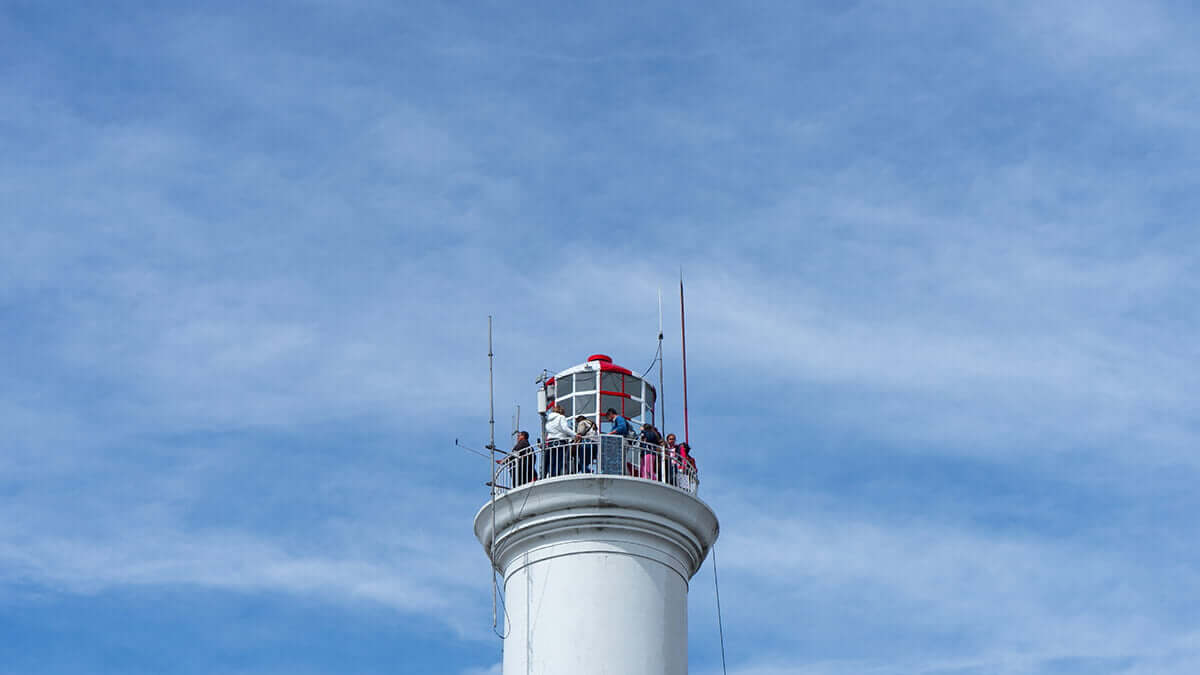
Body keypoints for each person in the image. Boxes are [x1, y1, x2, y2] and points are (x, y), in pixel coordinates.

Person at [544, 404, 574, 477]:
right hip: (560, 441)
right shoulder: (561, 417)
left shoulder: (549, 420)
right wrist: (575, 435)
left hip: (550, 442)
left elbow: (548, 431)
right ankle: (555, 475)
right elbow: (565, 428)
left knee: (551, 461)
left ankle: (550, 475)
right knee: (558, 461)